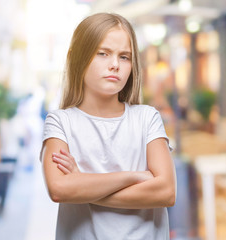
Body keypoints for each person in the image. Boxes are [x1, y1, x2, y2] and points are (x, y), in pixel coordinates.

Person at [40, 13, 176, 240]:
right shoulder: (60, 122)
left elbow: (166, 192)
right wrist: (132, 177)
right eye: (103, 54)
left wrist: (83, 185)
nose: (115, 65)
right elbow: (59, 189)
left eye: (124, 57)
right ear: (77, 58)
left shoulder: (147, 118)